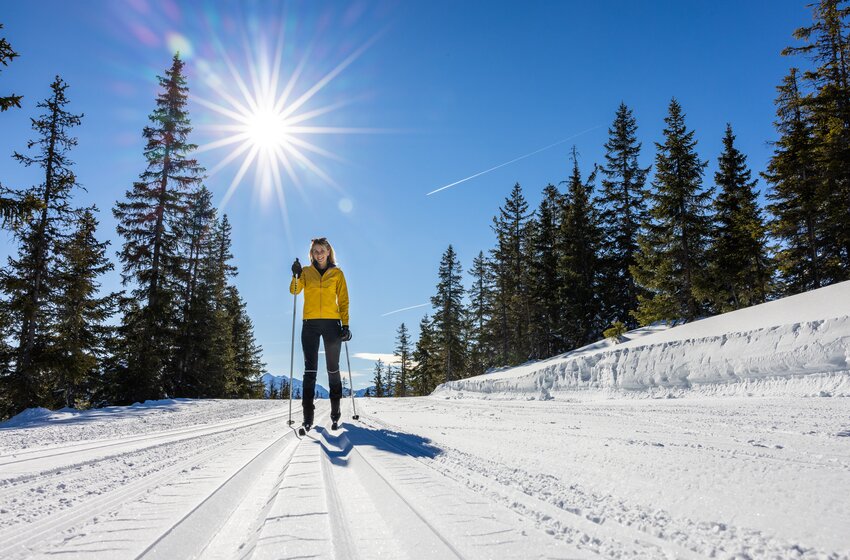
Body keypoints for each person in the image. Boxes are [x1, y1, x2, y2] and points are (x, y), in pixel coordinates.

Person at [290, 237, 351, 430]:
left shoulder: (337, 273)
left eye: (322, 251)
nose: (319, 254)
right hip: (310, 324)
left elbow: (343, 300)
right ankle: (307, 417)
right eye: (315, 251)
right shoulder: (307, 272)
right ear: (312, 254)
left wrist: (346, 325)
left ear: (328, 252)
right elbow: (294, 291)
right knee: (310, 370)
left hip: (332, 324)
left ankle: (335, 413)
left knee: (333, 369)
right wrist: (296, 275)